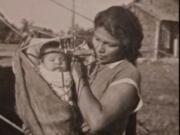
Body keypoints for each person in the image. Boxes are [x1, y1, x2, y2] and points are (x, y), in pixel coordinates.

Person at [71, 6, 143, 135]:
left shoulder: (127, 72)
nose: (100, 49)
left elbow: (97, 121)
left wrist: (79, 76)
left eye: (110, 44)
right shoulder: (93, 62)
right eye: (97, 39)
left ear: (125, 45)